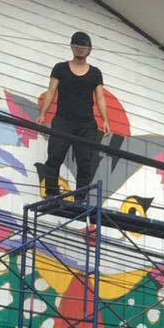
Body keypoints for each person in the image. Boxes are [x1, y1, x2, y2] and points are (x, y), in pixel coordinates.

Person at [36, 31, 111, 201]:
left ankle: (80, 198)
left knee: (85, 161)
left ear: (89, 49)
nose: (80, 48)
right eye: (77, 44)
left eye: (83, 45)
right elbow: (51, 91)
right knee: (54, 156)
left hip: (86, 124)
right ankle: (51, 193)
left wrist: (105, 120)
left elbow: (100, 98)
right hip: (63, 120)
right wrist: (43, 114)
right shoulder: (60, 68)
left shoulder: (95, 73)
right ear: (71, 46)